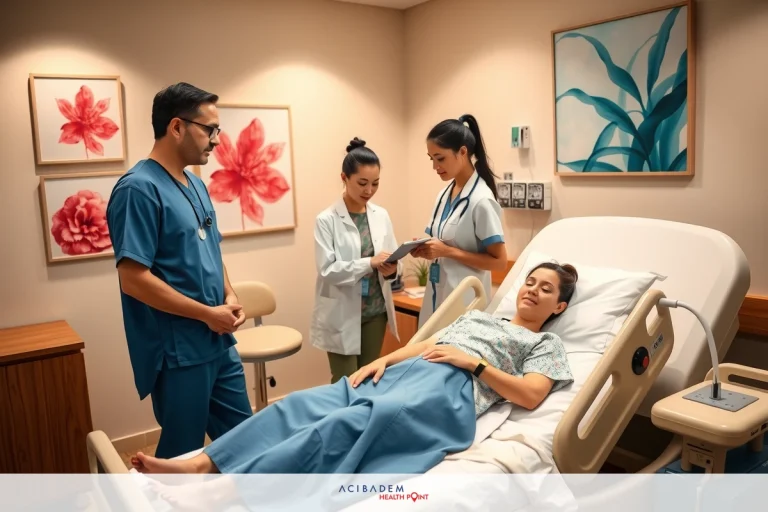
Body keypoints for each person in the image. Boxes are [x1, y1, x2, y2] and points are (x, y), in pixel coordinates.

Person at [131, 262, 578, 476]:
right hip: (411, 371)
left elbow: (530, 395)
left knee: (346, 423)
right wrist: (379, 362)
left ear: (559, 307)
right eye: (530, 282)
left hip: (451, 391)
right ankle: (203, 463)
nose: (532, 290)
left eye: (546, 289)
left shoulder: (544, 343)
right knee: (299, 405)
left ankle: (235, 489)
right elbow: (428, 345)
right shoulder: (479, 316)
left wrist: (474, 364)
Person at [107, 82, 252, 460]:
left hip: (217, 341)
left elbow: (211, 250)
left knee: (247, 440)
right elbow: (133, 280)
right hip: (180, 351)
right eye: (210, 130)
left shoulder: (196, 185)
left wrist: (230, 295)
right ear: (176, 127)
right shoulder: (138, 189)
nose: (216, 140)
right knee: (182, 456)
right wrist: (206, 314)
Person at [311, 138, 401, 384]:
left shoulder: (381, 215)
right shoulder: (326, 220)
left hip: (376, 311)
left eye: (375, 183)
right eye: (362, 183)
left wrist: (392, 269)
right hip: (341, 314)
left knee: (369, 379)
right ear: (344, 177)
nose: (369, 190)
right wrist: (369, 263)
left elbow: (391, 256)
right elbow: (327, 270)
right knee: (345, 382)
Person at [411, 114, 507, 328]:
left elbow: (500, 262)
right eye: (431, 159)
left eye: (440, 158)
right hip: (437, 298)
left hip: (465, 306)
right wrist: (427, 248)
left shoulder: (481, 200)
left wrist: (447, 252)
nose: (435, 166)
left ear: (463, 152)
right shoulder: (444, 194)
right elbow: (443, 244)